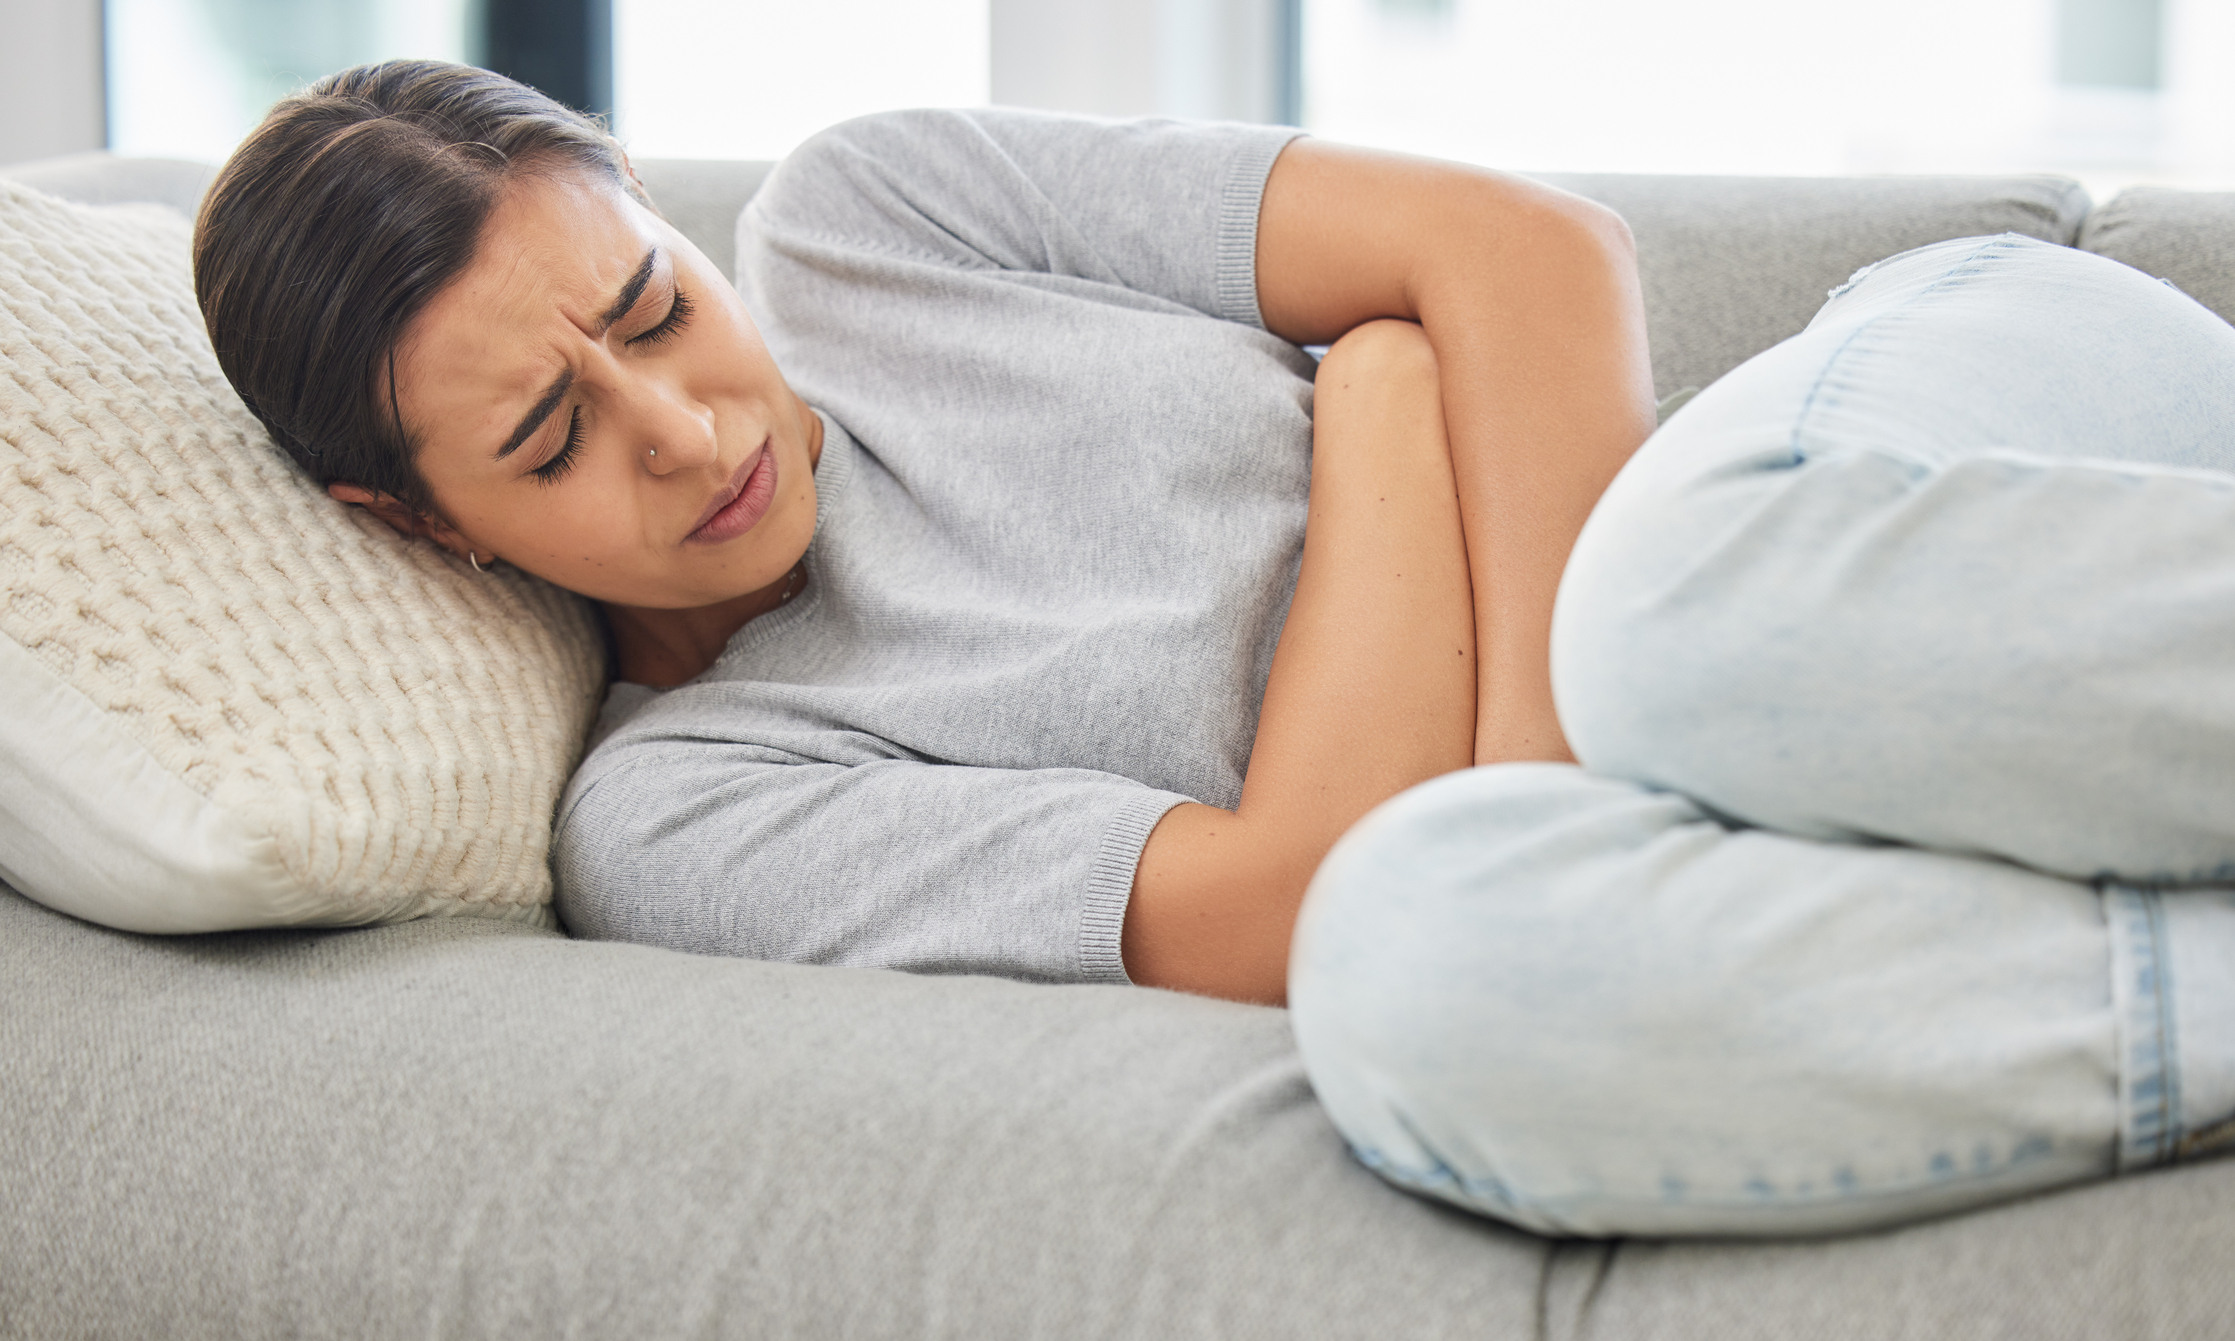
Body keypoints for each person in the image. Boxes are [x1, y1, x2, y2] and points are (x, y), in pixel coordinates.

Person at [191, 60, 2232, 1237]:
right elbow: (1298, 899)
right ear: (421, 520)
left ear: (652, 202)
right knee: (1428, 966)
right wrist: (1376, 401)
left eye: (652, 310)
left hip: (1912, 467)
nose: (690, 432)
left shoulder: (876, 211)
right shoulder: (692, 806)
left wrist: (1550, 767)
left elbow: (1525, 254)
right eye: (552, 441)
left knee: (1659, 630)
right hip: (1781, 817)